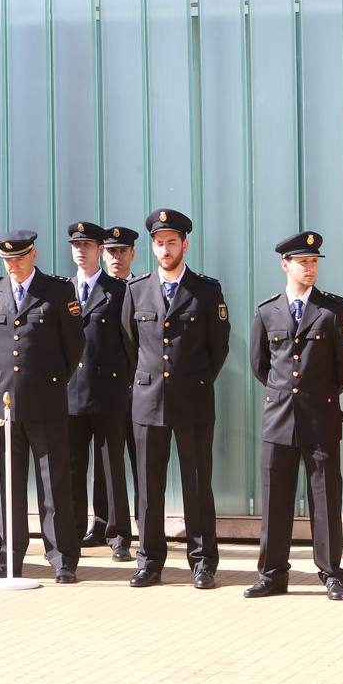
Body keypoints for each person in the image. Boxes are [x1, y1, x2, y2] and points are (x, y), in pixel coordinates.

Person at [121, 209, 230, 589]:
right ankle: (149, 561)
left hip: (193, 399)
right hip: (148, 401)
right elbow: (128, 345)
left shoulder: (206, 290)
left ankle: (202, 562)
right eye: (159, 242)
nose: (165, 249)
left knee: (197, 484)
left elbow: (218, 348)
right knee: (148, 488)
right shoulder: (136, 290)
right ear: (152, 247)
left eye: (171, 242)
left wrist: (194, 381)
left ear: (185, 244)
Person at [245, 231, 343, 601]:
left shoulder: (333, 310)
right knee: (275, 499)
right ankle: (273, 574)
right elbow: (261, 365)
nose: (310, 268)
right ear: (285, 265)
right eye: (303, 262)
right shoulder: (266, 310)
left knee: (326, 499)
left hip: (319, 417)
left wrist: (314, 397)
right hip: (278, 420)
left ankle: (332, 573)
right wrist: (286, 399)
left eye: (314, 262)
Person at [0, 230, 84, 583]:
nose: (14, 265)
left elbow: (73, 347)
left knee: (53, 484)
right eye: (7, 260)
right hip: (2, 406)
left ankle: (62, 557)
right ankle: (8, 555)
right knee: (7, 485)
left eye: (19, 258)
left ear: (33, 255)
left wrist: (49, 383)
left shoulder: (57, 291)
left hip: (45, 400)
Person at [65, 222, 133, 562]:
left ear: (100, 251)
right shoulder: (62, 290)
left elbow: (130, 343)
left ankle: (118, 533)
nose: (81, 251)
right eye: (76, 245)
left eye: (88, 245)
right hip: (70, 392)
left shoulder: (118, 291)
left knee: (111, 466)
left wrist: (125, 383)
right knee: (73, 467)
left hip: (108, 390)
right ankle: (74, 531)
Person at [88, 225, 140, 546]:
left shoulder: (142, 288)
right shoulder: (94, 291)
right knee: (104, 458)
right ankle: (103, 522)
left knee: (141, 461)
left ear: (133, 254)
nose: (116, 257)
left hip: (137, 389)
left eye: (122, 251)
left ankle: (143, 525)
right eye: (111, 251)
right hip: (105, 389)